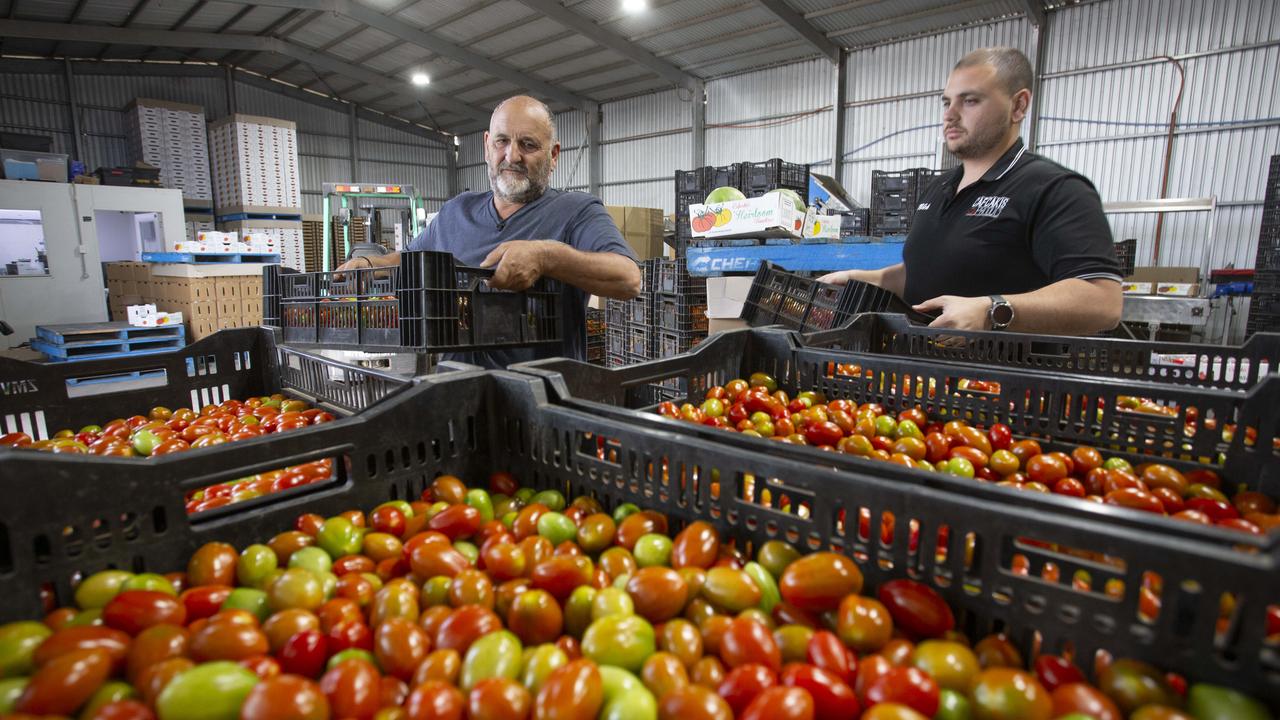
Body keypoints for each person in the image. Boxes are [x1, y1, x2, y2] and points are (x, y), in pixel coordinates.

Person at [820, 47, 1123, 335]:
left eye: (970, 101)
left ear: (1018, 106)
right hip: (921, 371)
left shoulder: (1055, 189)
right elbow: (922, 272)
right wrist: (863, 279)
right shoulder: (940, 188)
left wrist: (993, 310)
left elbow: (1103, 300)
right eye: (946, 102)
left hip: (997, 382)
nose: (950, 115)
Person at [338, 95, 641, 368]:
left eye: (528, 144)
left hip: (542, 407)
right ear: (486, 145)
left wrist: (547, 256)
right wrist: (370, 265)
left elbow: (628, 278)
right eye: (502, 141)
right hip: (457, 398)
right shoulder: (456, 212)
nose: (512, 156)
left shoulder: (576, 211)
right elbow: (412, 258)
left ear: (554, 155)